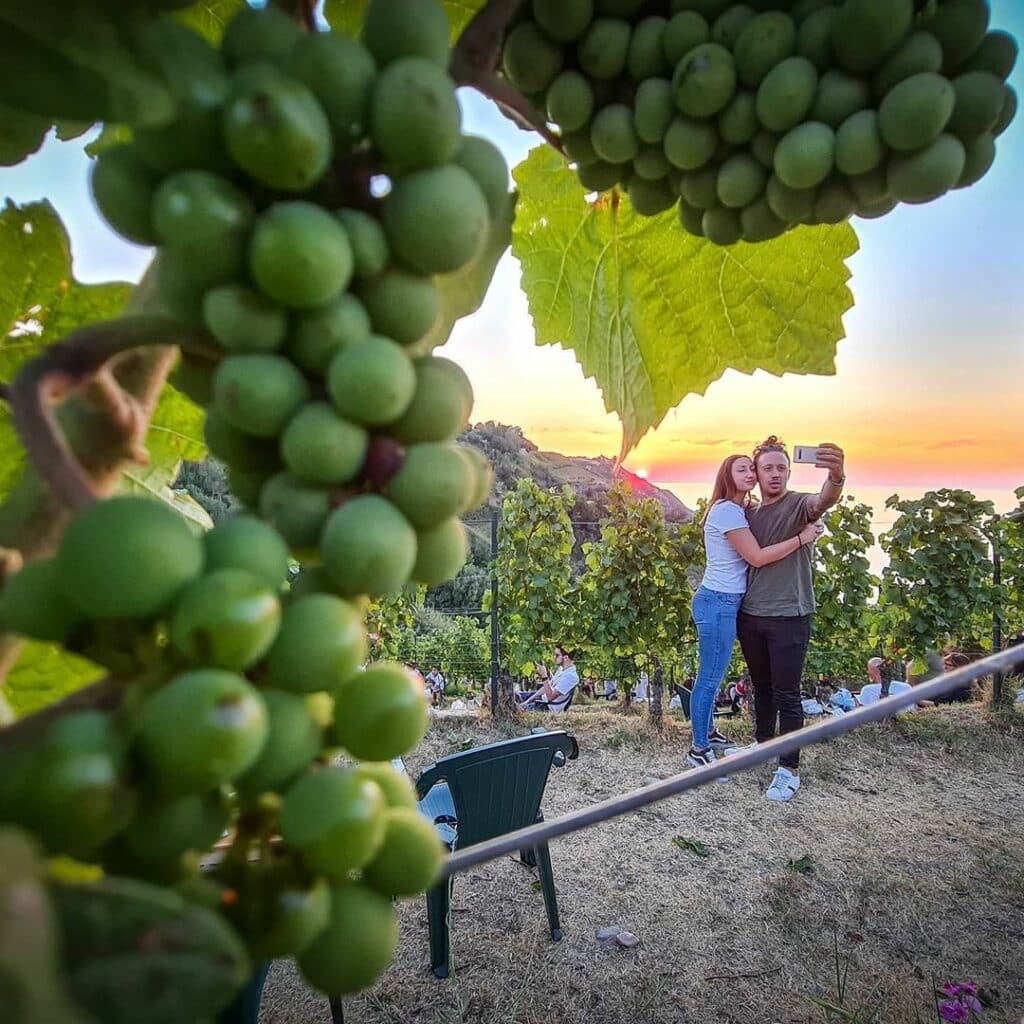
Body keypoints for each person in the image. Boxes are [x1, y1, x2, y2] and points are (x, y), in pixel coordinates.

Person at [687, 453, 824, 772]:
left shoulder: (741, 509)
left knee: (713, 674)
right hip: (718, 602)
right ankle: (698, 748)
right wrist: (802, 538)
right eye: (742, 469)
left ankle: (708, 733)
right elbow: (758, 557)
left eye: (752, 468)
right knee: (709, 678)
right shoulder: (727, 512)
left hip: (724, 602)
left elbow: (771, 516)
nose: (751, 473)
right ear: (727, 476)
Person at [737, 437, 846, 802]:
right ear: (756, 472)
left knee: (787, 694)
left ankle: (789, 768)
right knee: (762, 687)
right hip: (751, 615)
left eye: (781, 467)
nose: (775, 474)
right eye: (767, 467)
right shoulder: (748, 513)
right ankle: (763, 745)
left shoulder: (800, 505)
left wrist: (837, 475)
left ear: (789, 471)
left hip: (790, 615)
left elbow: (824, 499)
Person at [517, 644, 579, 713]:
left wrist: (544, 676)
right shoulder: (562, 668)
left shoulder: (571, 676)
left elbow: (550, 697)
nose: (554, 657)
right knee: (515, 695)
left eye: (557, 655)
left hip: (547, 707)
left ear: (566, 658)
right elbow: (547, 687)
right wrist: (528, 701)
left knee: (514, 709)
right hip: (542, 699)